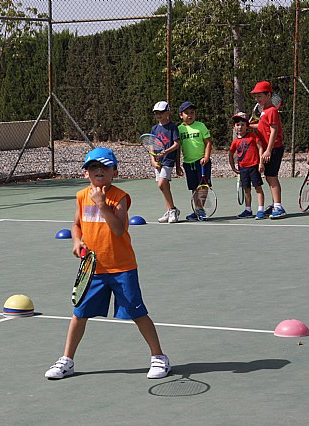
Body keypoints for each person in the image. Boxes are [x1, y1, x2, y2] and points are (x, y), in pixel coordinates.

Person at [45, 147, 170, 380]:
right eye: (93, 167)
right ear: (86, 173)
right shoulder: (81, 196)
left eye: (104, 166)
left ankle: (159, 357)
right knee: (79, 314)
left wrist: (102, 204)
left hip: (122, 268)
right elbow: (76, 224)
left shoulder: (119, 197)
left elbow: (119, 229)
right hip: (93, 269)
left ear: (115, 171)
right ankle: (67, 361)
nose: (99, 171)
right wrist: (76, 240)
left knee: (138, 313)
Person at [250, 81, 286, 219]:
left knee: (272, 177)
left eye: (260, 96)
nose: (257, 99)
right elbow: (262, 126)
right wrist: (248, 126)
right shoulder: (264, 111)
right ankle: (274, 204)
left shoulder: (271, 111)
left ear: (269, 95)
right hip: (269, 149)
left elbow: (274, 130)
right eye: (256, 96)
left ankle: (278, 206)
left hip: (274, 148)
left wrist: (268, 150)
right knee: (269, 177)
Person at [177, 101, 213, 221]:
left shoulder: (201, 126)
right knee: (194, 188)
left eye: (192, 112)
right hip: (188, 163)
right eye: (186, 113)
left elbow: (208, 142)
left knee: (203, 186)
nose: (190, 115)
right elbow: (178, 149)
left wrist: (206, 157)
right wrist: (178, 165)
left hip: (202, 162)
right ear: (181, 115)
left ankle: (200, 209)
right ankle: (197, 210)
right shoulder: (179, 129)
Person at [150, 101, 183, 223]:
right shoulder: (154, 129)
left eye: (161, 112)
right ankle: (170, 210)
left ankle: (173, 210)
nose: (158, 115)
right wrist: (153, 161)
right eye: (156, 113)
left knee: (161, 184)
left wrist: (166, 152)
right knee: (164, 187)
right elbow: (151, 146)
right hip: (158, 161)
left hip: (168, 160)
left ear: (168, 112)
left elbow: (177, 144)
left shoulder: (173, 127)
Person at [228, 112, 266, 219]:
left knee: (258, 188)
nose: (240, 127)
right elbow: (230, 154)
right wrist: (233, 167)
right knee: (246, 190)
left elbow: (260, 148)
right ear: (234, 127)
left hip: (254, 167)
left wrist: (261, 163)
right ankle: (248, 210)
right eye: (237, 125)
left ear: (247, 126)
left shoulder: (253, 136)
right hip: (242, 169)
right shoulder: (235, 142)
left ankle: (261, 210)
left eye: (242, 124)